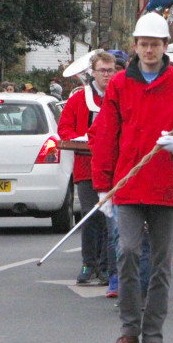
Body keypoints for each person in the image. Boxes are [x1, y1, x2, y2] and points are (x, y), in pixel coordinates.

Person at [91, 13, 173, 343]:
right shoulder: (118, 85)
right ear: (136, 46)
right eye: (143, 44)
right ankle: (129, 332)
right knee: (126, 252)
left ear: (164, 47)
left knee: (161, 264)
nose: (149, 50)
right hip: (127, 185)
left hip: (166, 186)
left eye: (155, 45)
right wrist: (102, 187)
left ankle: (153, 338)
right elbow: (105, 137)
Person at [59, 51, 115, 286]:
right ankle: (87, 264)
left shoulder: (118, 96)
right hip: (86, 167)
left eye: (110, 70)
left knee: (108, 219)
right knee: (90, 217)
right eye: (102, 71)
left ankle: (105, 266)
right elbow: (64, 130)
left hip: (113, 168)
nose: (107, 75)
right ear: (93, 72)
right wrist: (80, 138)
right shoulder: (78, 99)